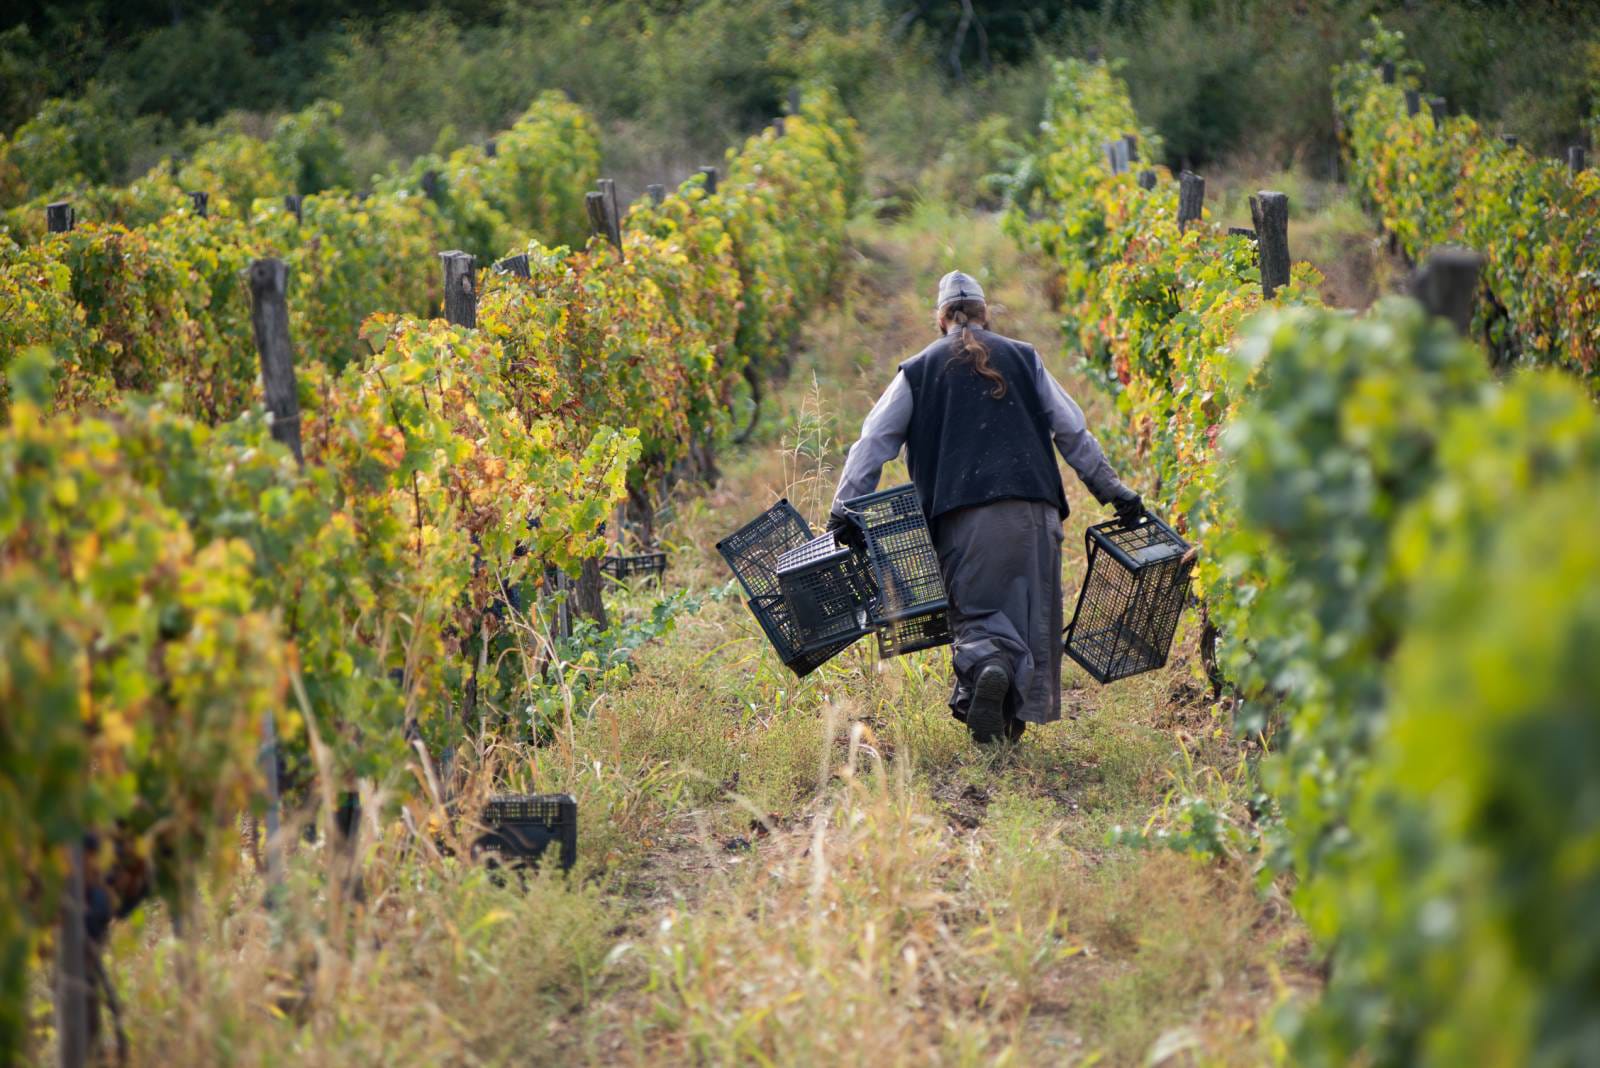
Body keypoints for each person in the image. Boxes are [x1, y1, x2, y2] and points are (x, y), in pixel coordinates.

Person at [828, 270, 1143, 743]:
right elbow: (1072, 431)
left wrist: (843, 509)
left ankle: (990, 667)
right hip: (1036, 512)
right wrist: (1115, 492)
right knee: (1028, 617)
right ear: (984, 313)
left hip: (963, 516)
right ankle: (1003, 729)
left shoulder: (917, 370)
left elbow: (873, 442)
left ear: (940, 320)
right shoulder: (1024, 358)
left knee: (977, 616)